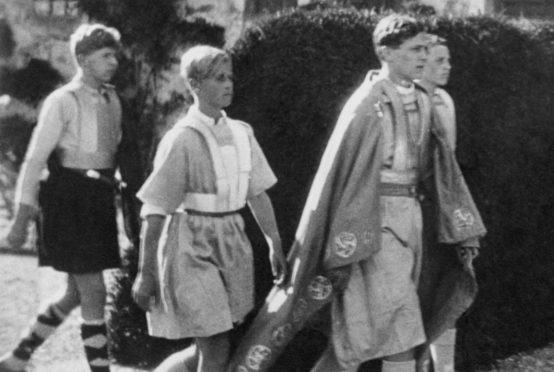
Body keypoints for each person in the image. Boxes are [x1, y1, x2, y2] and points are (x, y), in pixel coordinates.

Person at [227, 14, 486, 372]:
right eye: (415, 50)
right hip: (372, 228)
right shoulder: (367, 103)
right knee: (401, 329)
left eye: (427, 49)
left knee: (360, 340)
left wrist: (460, 223)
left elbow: (441, 171)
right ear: (387, 52)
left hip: (411, 223)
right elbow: (341, 175)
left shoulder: (426, 101)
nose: (424, 57)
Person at [131, 45, 287, 372]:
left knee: (209, 346)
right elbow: (155, 210)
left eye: (230, 77)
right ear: (195, 85)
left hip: (231, 242)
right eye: (218, 78)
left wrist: (274, 241)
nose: (228, 84)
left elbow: (257, 193)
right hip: (189, 246)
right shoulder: (182, 140)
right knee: (215, 347)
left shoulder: (243, 134)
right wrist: (146, 274)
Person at [0, 23, 123, 372]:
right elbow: (35, 159)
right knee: (94, 291)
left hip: (99, 200)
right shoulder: (62, 100)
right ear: (83, 59)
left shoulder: (113, 100)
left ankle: (16, 359)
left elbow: (118, 155)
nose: (113, 62)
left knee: (75, 293)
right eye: (104, 55)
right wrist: (23, 218)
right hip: (68, 201)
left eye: (114, 54)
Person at [414, 34, 480, 372]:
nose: (447, 66)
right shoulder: (407, 102)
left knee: (447, 288)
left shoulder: (445, 102)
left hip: (441, 213)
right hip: (411, 213)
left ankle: (445, 368)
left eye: (448, 59)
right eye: (440, 60)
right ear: (421, 63)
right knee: (413, 298)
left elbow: (449, 168)